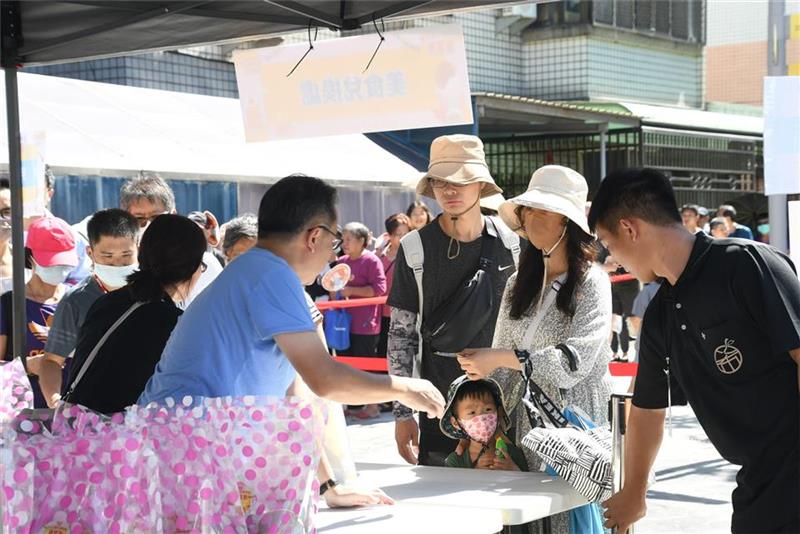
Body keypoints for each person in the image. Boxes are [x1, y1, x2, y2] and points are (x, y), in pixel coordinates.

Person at [589, 168, 799, 534]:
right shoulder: (660, 315)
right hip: (758, 486)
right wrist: (635, 490)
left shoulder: (746, 263)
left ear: (630, 228)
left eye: (608, 242)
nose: (614, 259)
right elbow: (647, 410)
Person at [139, 175, 444, 422]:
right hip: (185, 447)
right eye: (333, 240)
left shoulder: (258, 269)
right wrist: (406, 387)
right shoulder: (272, 275)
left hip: (186, 441)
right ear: (314, 237)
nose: (332, 254)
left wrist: (329, 484)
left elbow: (296, 393)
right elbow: (325, 380)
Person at [457, 165, 612, 534]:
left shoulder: (593, 282)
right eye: (527, 210)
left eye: (542, 211)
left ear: (567, 223)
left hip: (572, 432)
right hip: (520, 429)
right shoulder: (517, 282)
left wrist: (498, 358)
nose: (529, 218)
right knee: (526, 522)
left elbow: (574, 362)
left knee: (568, 521)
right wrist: (484, 426)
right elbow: (498, 358)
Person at [388, 134, 518, 466]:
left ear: (481, 184)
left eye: (461, 180)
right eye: (441, 182)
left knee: (508, 514)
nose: (450, 190)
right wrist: (403, 413)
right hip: (438, 408)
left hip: (507, 408)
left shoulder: (513, 244)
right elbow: (401, 334)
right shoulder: (415, 248)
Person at [63, 215, 206, 414]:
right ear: (191, 267)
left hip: (74, 426)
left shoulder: (108, 301)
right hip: (116, 436)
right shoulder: (172, 322)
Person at [36, 209, 140, 407]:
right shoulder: (75, 301)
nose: (117, 264)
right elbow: (51, 361)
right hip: (90, 411)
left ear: (139, 249)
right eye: (107, 256)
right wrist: (54, 401)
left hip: (143, 409)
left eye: (126, 255)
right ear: (90, 253)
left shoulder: (155, 294)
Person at [0, 217, 78, 408]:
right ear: (30, 257)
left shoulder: (78, 300)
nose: (59, 269)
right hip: (22, 417)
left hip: (74, 415)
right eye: (51, 262)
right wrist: (27, 366)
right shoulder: (8, 304)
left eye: (64, 263)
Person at [440, 375, 526, 471]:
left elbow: (527, 483)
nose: (482, 418)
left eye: (488, 409)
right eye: (472, 413)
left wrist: (513, 469)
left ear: (499, 413)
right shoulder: (456, 461)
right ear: (456, 422)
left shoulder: (513, 454)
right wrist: (476, 472)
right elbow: (453, 485)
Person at [336, 222, 387, 358]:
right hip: (342, 323)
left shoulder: (372, 261)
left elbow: (380, 289)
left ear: (361, 241)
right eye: (343, 239)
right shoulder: (341, 262)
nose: (344, 243)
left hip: (365, 325)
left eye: (349, 239)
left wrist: (351, 291)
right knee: (344, 366)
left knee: (365, 369)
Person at [376, 213, 411, 357]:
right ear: (389, 235)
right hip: (381, 312)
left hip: (404, 312)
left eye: (406, 234)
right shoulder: (379, 256)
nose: (402, 238)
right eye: (398, 234)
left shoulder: (413, 256)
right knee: (382, 348)